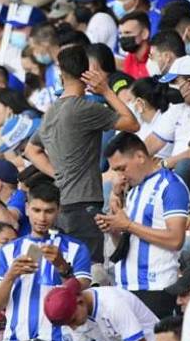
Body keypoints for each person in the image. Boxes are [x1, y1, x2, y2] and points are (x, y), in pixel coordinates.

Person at [26, 46, 138, 265]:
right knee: (89, 272)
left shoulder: (52, 111)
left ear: (61, 76)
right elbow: (132, 123)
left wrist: (57, 173)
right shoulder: (84, 108)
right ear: (87, 74)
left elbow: (31, 150)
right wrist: (106, 90)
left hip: (61, 205)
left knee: (66, 271)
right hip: (85, 205)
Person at [0, 182, 91, 341]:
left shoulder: (76, 248)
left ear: (59, 210)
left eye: (49, 211)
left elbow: (82, 297)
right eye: (36, 210)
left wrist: (62, 267)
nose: (42, 218)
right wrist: (10, 276)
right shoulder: (8, 251)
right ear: (26, 208)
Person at [99, 132, 190, 318]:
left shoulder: (171, 186)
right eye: (115, 170)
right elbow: (125, 245)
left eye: (122, 168)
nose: (119, 176)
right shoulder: (133, 191)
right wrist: (114, 229)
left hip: (155, 288)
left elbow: (176, 239)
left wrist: (129, 225)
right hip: (125, 287)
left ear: (140, 157)